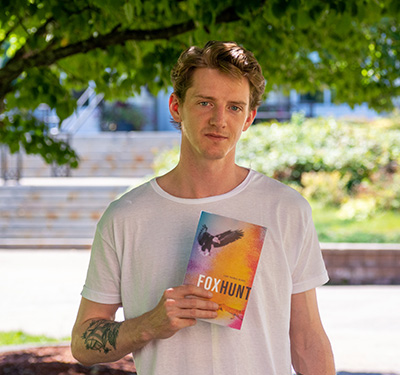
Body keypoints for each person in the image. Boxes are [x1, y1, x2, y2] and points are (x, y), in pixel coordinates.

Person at [71, 40, 335, 374]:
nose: (220, 120)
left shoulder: (286, 209)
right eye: (205, 102)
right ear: (176, 106)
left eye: (235, 107)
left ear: (250, 117)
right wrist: (148, 325)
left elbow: (307, 338)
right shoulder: (126, 217)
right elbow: (82, 342)